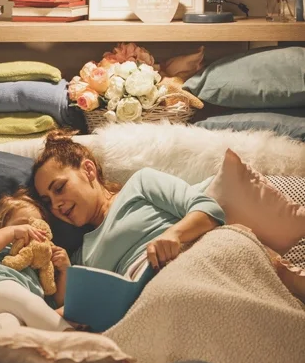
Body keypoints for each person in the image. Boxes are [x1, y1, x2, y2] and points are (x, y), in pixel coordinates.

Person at [32, 129, 305, 303]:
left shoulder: (140, 184)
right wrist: (67, 270)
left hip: (197, 256)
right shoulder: (82, 255)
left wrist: (173, 234)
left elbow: (210, 210)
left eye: (59, 188)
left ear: (88, 170)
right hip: (158, 297)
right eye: (48, 201)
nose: (56, 204)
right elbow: (79, 307)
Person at [0, 188, 80, 332]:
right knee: (28, 302)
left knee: (7, 323)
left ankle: (2, 350)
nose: (31, 231)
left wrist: (65, 270)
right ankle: (72, 338)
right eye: (23, 224)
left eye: (37, 228)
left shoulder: (37, 266)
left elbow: (56, 302)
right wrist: (12, 232)